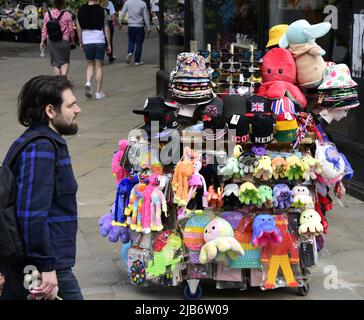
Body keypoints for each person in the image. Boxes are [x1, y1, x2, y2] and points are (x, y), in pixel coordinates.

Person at [0, 75, 83, 300]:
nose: (78, 109)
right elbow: (32, 214)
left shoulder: (42, 143)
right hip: (44, 264)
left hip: (37, 263)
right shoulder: (41, 149)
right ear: (50, 111)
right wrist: (47, 268)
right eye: (71, 104)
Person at [77, 0, 111, 99]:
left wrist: (80, 41)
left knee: (90, 64)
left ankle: (88, 82)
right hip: (99, 39)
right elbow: (106, 28)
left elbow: (79, 28)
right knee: (99, 66)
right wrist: (109, 44)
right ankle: (98, 92)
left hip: (87, 40)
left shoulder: (80, 10)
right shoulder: (102, 11)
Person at [40, 0, 75, 76]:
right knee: (65, 61)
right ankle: (63, 78)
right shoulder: (67, 15)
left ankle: (57, 81)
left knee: (56, 63)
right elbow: (71, 30)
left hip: (51, 40)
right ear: (63, 4)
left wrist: (43, 41)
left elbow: (44, 29)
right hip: (64, 40)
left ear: (53, 3)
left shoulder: (47, 14)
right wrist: (72, 41)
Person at [119, 0, 151, 66]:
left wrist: (120, 23)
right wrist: (148, 27)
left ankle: (130, 52)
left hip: (131, 26)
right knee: (139, 44)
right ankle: (137, 61)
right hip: (140, 26)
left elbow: (122, 13)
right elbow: (146, 17)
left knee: (131, 41)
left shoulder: (128, 2)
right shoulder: (143, 4)